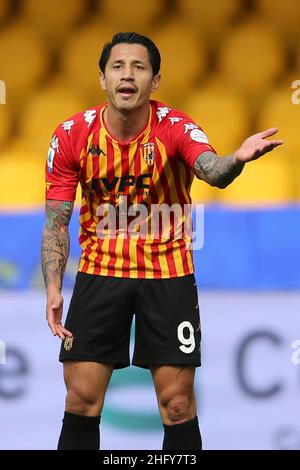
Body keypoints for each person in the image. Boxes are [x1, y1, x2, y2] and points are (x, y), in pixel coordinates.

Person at [41, 32, 283, 451]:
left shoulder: (175, 128)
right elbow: (56, 223)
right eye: (118, 66)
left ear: (154, 81)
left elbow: (212, 170)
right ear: (102, 78)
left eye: (139, 67)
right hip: (101, 272)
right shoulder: (71, 136)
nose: (127, 75)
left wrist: (237, 160)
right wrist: (52, 286)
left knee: (176, 405)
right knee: (80, 401)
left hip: (167, 274)